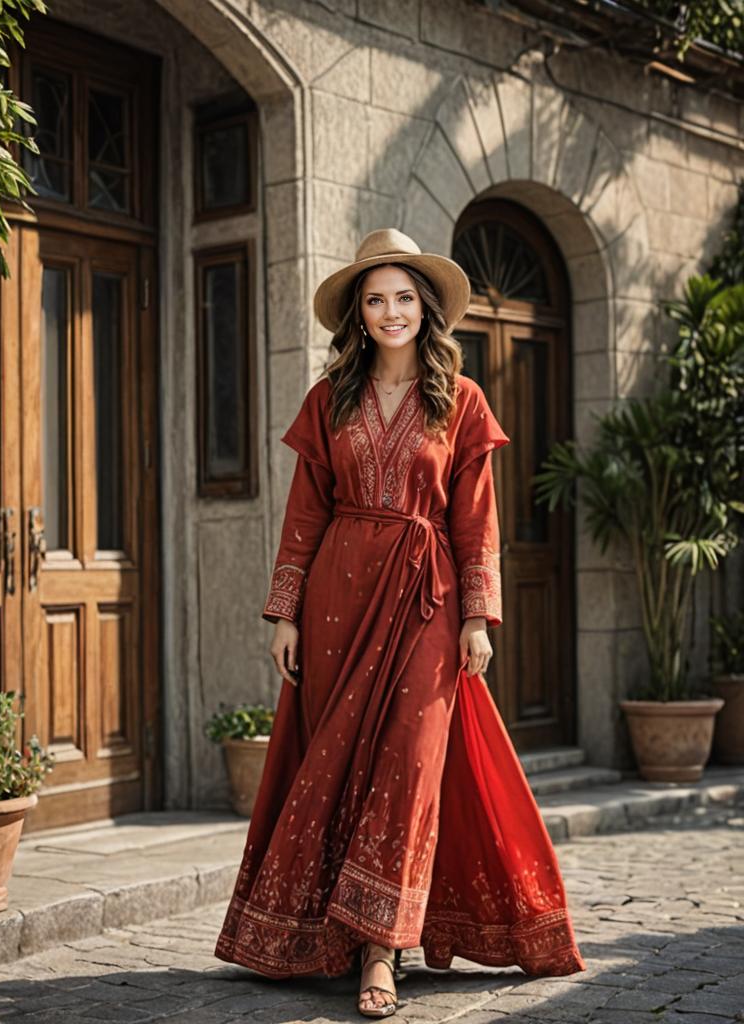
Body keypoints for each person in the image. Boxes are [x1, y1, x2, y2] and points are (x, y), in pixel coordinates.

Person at [214, 228, 586, 1017]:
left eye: (404, 298)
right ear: (359, 312)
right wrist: (283, 611)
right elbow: (305, 512)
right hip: (335, 605)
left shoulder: (462, 399)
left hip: (427, 599)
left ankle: (383, 951)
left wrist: (479, 616)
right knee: (338, 760)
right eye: (376, 299)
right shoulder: (330, 399)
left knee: (412, 762)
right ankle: (338, 938)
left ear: (427, 309)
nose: (391, 312)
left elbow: (477, 519)